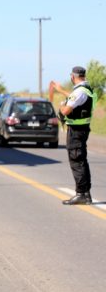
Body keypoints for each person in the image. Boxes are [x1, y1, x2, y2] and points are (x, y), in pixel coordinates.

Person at [51, 66, 96, 205]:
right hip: (81, 129)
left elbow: (65, 111)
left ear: (73, 77)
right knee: (81, 160)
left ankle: (81, 193)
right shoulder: (86, 89)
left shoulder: (79, 92)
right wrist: (61, 91)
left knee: (77, 160)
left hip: (76, 131)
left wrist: (61, 107)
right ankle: (85, 193)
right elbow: (74, 98)